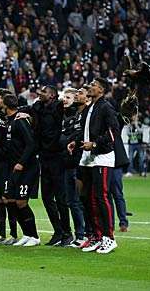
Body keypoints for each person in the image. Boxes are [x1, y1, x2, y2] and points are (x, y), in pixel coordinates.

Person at [70, 78, 120, 254]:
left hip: (103, 157)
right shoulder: (92, 107)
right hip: (90, 158)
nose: (89, 87)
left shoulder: (105, 107)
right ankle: (97, 236)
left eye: (93, 85)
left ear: (101, 89)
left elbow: (114, 131)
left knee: (101, 197)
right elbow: (86, 132)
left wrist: (96, 145)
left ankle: (109, 238)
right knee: (90, 198)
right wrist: (77, 143)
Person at [27, 85, 72, 246]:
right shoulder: (38, 106)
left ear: (52, 95)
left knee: (60, 198)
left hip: (57, 157)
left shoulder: (59, 107)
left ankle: (67, 233)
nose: (40, 93)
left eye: (44, 92)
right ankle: (58, 231)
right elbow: (29, 109)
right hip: (44, 157)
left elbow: (70, 106)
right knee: (46, 197)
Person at [2, 94, 41, 247]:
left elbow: (31, 144)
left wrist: (21, 163)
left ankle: (35, 236)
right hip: (14, 167)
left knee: (21, 201)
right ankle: (26, 233)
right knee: (9, 199)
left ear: (6, 105)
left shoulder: (20, 120)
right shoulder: (10, 120)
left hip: (27, 167)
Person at [0, 89, 18, 245]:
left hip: (9, 162)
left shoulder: (15, 117)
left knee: (8, 198)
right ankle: (1, 234)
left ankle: (13, 234)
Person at [60, 88, 87, 247]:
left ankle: (84, 235)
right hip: (67, 163)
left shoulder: (80, 116)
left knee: (78, 201)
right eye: (64, 97)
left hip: (78, 164)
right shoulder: (68, 116)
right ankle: (79, 235)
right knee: (71, 201)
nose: (65, 99)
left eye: (69, 97)